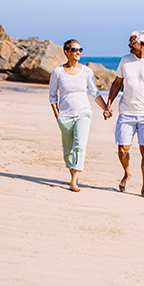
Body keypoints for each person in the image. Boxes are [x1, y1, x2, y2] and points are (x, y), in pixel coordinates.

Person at [104, 31, 144, 199]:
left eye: (132, 43)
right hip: (126, 112)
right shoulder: (125, 60)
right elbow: (116, 83)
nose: (129, 46)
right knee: (122, 149)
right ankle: (127, 173)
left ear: (143, 44)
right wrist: (109, 104)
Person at [49, 39, 110, 192]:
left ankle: (74, 181)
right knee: (68, 149)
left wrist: (105, 108)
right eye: (75, 49)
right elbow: (52, 96)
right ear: (66, 52)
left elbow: (94, 92)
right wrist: (57, 115)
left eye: (80, 49)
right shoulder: (57, 72)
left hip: (83, 113)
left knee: (80, 145)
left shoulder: (87, 72)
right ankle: (73, 173)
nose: (78, 52)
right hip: (65, 116)